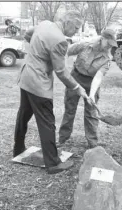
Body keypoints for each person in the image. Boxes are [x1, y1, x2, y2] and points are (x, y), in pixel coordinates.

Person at [13, 11, 89, 174]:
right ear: (67, 23)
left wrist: (36, 51)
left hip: (26, 77)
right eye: (76, 27)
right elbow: (61, 71)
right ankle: (53, 163)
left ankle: (18, 148)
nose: (76, 31)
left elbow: (28, 34)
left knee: (24, 114)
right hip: (38, 83)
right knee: (47, 121)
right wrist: (77, 88)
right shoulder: (60, 40)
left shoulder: (44, 24)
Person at [58, 29, 118, 149]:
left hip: (91, 82)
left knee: (91, 113)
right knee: (70, 110)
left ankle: (92, 143)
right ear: (103, 38)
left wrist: (92, 94)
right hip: (75, 77)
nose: (110, 46)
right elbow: (66, 51)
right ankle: (62, 138)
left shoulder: (107, 58)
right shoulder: (85, 44)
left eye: (112, 44)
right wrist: (62, 66)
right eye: (108, 43)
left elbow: (98, 77)